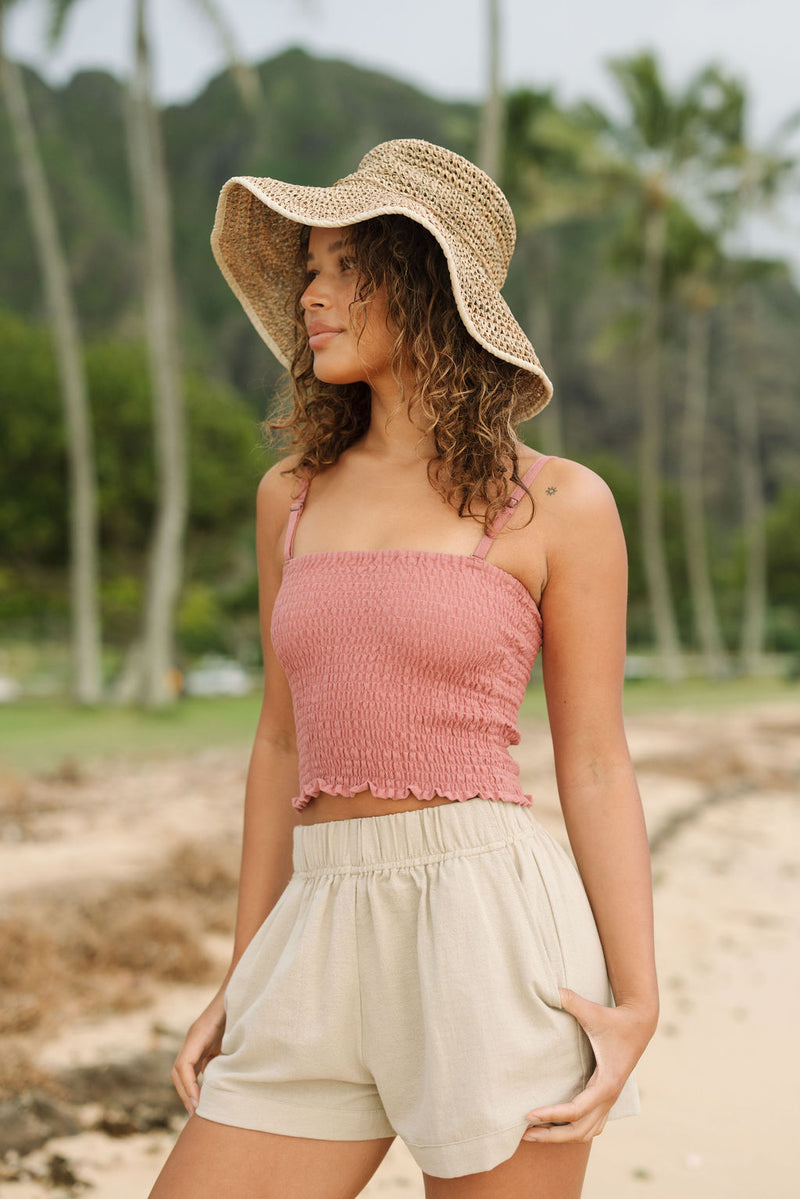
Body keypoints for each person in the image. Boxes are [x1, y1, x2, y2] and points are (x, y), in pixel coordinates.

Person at [149, 139, 658, 1199]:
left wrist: (637, 1000)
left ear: (425, 284)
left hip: (490, 927)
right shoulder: (288, 492)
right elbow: (278, 743)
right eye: (307, 270)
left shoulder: (558, 503)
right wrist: (244, 974)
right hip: (318, 924)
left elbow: (598, 763)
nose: (311, 295)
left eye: (341, 266)